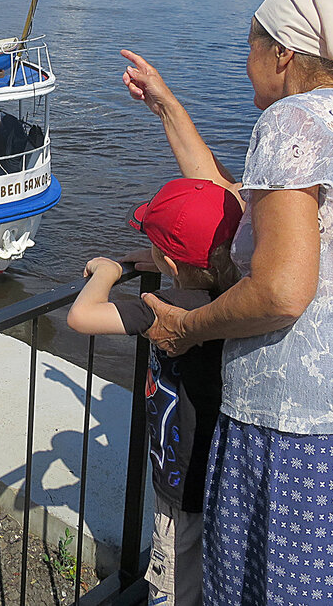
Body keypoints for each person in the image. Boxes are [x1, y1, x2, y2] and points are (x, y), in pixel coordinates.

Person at [121, 0, 333, 606]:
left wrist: (186, 328)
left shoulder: (295, 121)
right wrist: (167, 106)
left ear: (284, 54)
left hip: (302, 439)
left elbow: (282, 290)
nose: (246, 65)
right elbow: (237, 212)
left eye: (252, 47)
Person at [68, 178, 242, 606]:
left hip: (179, 478)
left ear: (167, 257)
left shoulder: (165, 307)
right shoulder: (237, 296)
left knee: (172, 582)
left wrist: (108, 273)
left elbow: (82, 316)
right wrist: (160, 259)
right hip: (223, 472)